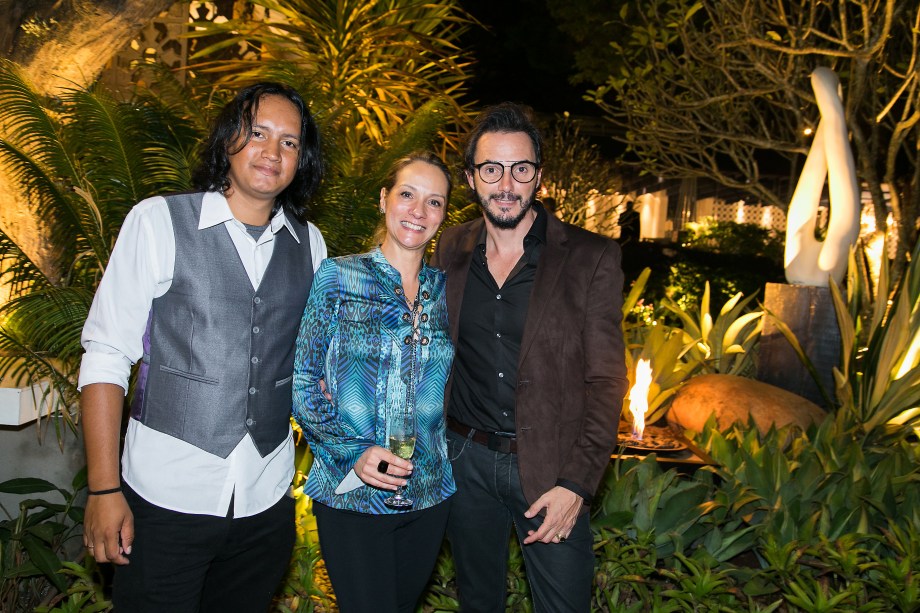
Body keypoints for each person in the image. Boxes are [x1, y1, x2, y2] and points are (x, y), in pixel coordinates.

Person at [79, 82, 326, 612]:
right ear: (229, 139)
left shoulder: (312, 245)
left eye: (289, 142)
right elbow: (105, 355)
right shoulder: (157, 222)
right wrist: (103, 491)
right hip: (166, 497)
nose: (272, 151)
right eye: (257, 133)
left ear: (301, 159)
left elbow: (310, 361)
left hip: (265, 501)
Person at [430, 103, 628, 612]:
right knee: (477, 602)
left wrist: (577, 484)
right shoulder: (449, 249)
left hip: (551, 472)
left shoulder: (591, 257)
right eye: (491, 169)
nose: (506, 184)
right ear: (472, 178)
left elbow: (606, 382)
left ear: (537, 176)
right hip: (465, 462)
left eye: (521, 169)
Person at [292, 152, 456, 613]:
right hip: (352, 493)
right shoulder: (339, 277)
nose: (418, 212)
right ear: (384, 200)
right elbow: (304, 380)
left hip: (429, 492)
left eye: (434, 202)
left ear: (443, 216)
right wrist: (354, 452)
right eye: (407, 194)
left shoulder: (448, 292)